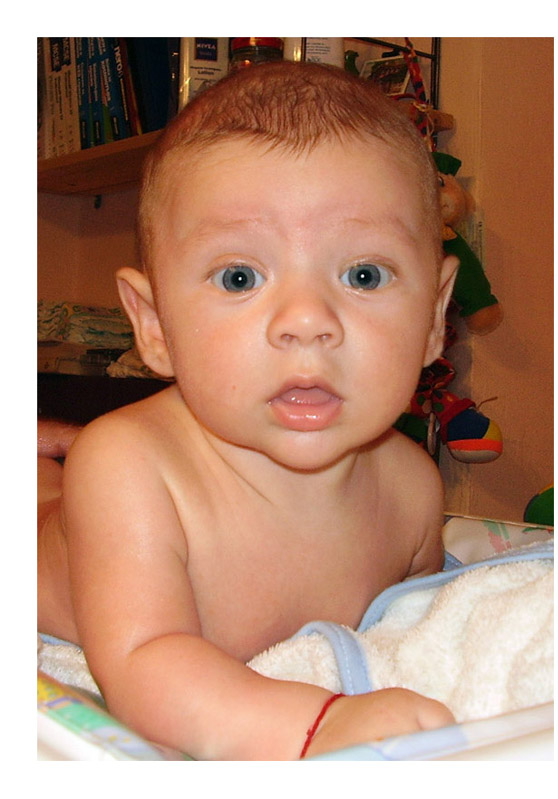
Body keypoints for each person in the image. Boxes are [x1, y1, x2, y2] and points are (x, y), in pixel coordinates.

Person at [37, 61, 459, 760]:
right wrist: (316, 726)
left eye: (363, 274)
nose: (307, 321)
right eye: (240, 277)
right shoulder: (129, 467)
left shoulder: (413, 490)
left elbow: (418, 637)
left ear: (435, 317)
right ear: (154, 326)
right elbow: (144, 662)